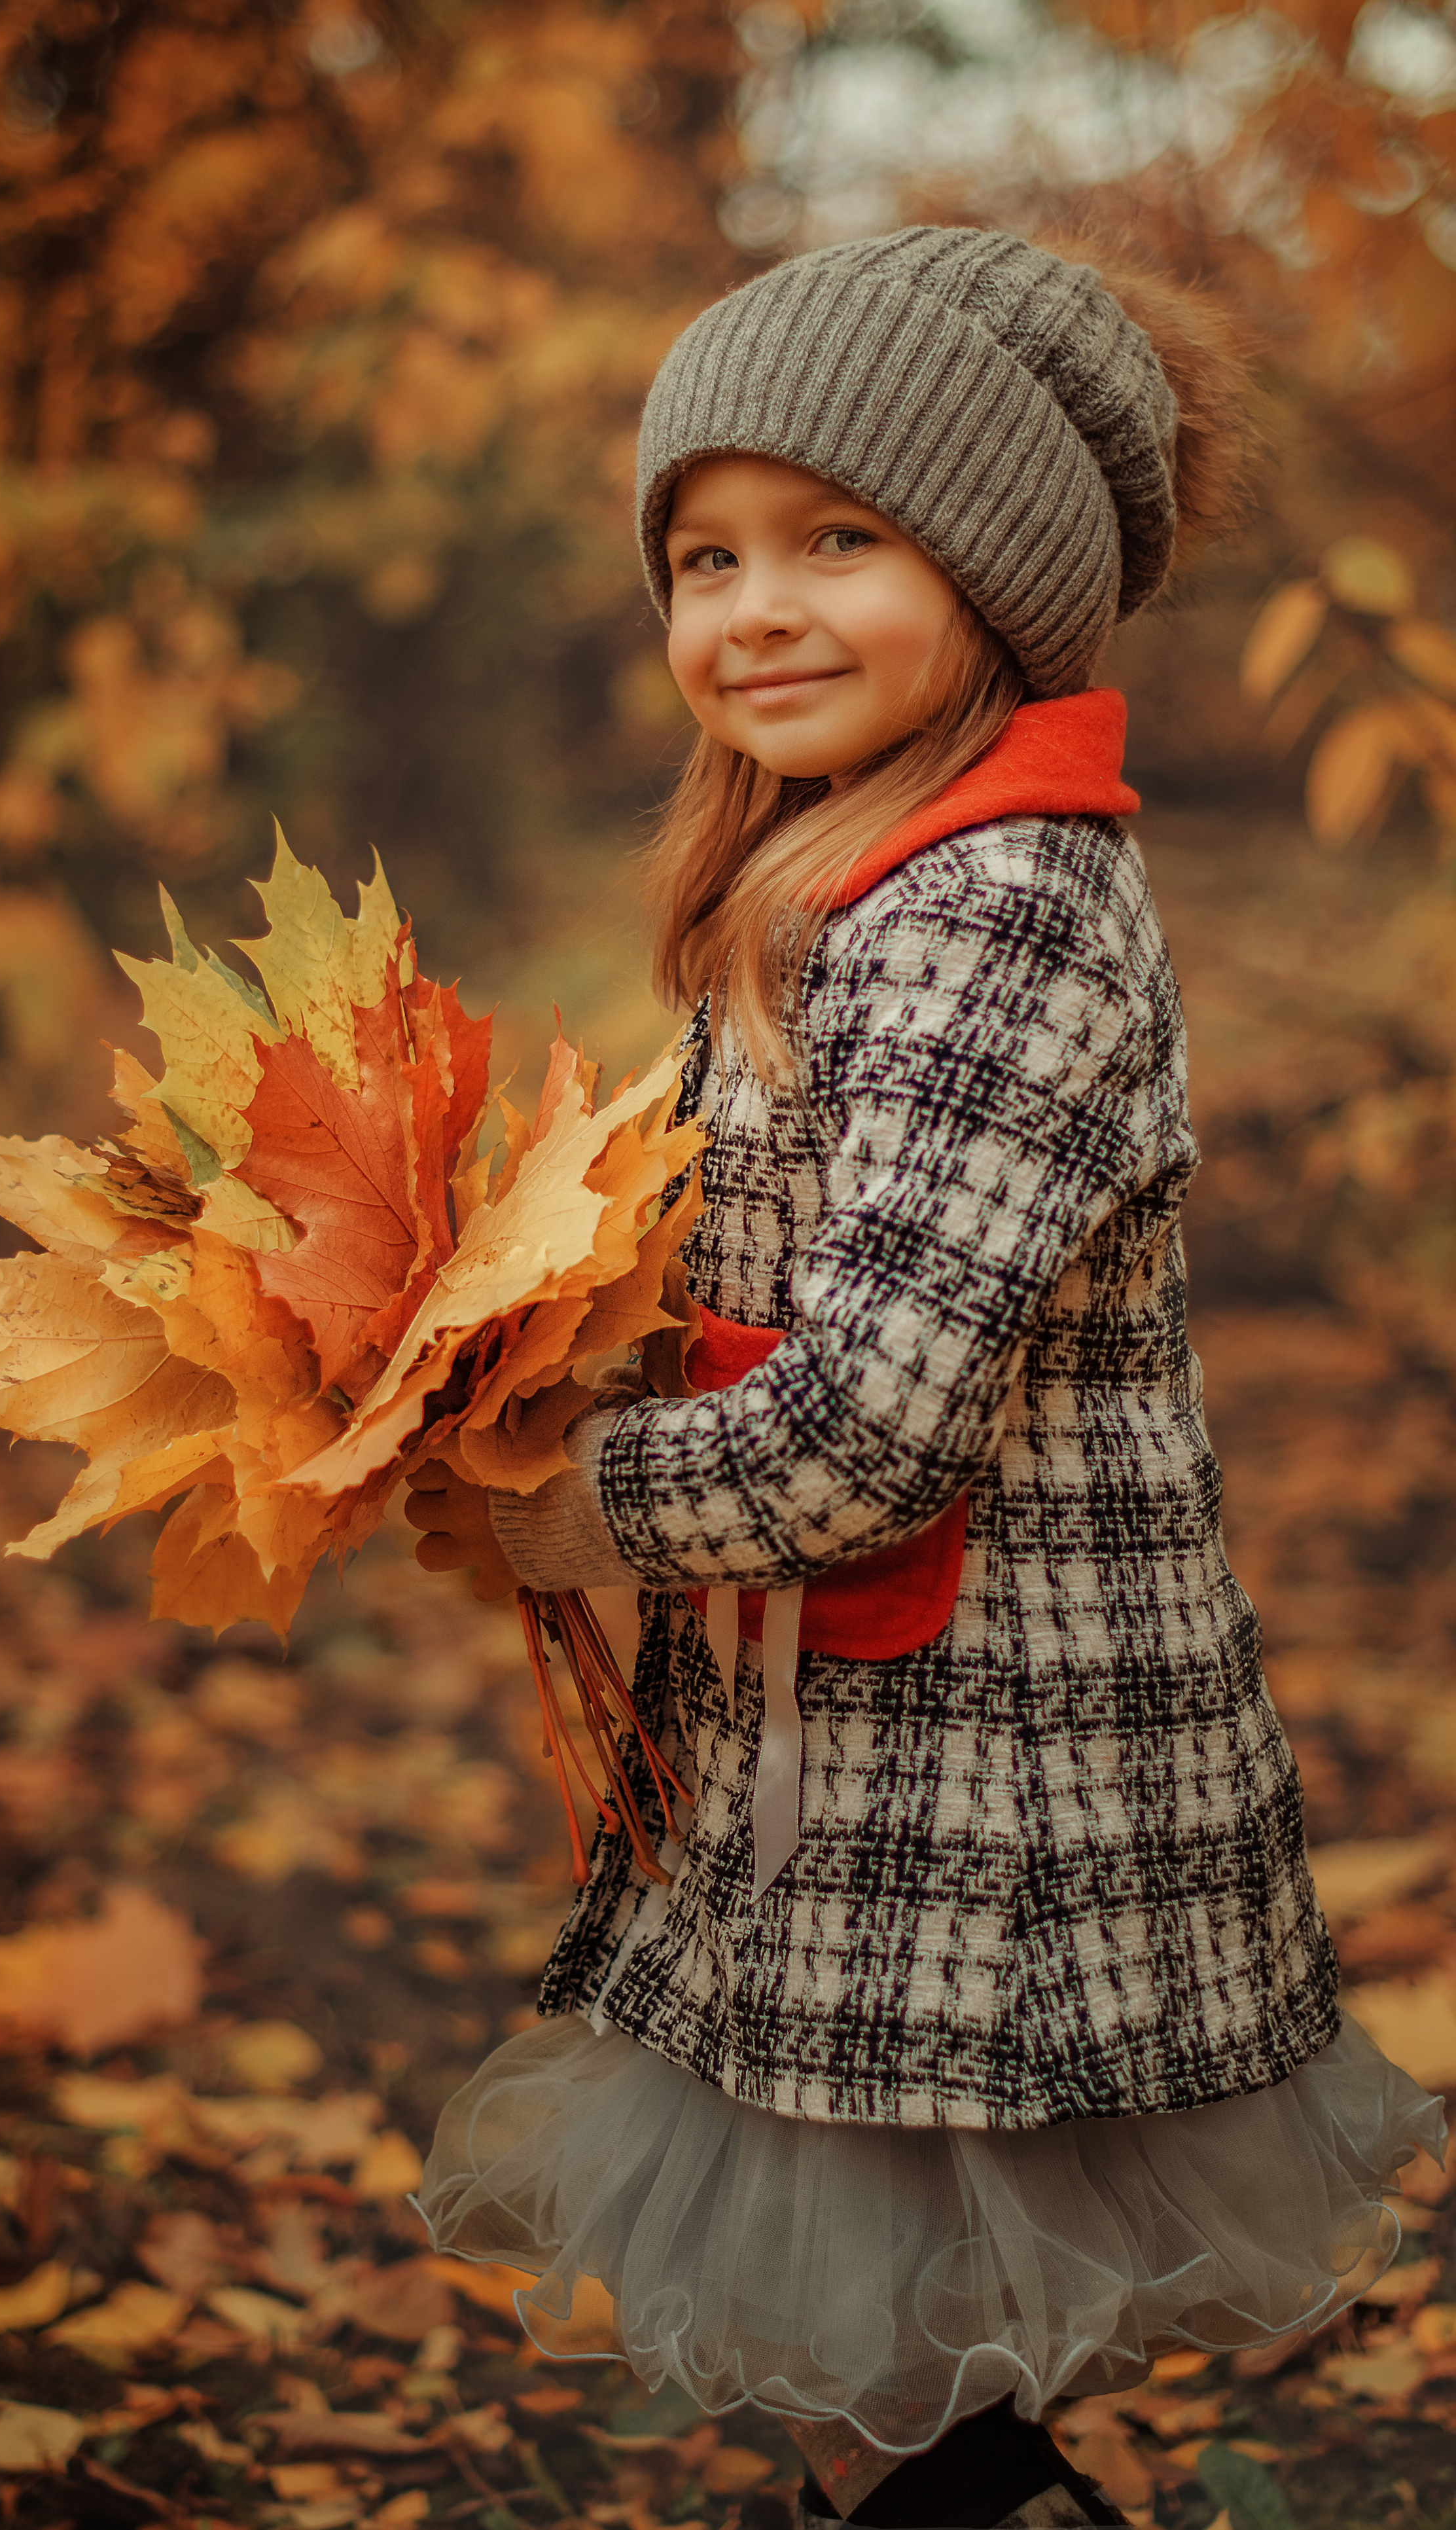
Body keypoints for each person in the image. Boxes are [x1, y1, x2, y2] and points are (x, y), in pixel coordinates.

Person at [403, 228, 1443, 2530]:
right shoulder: (837, 878)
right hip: (842, 1716)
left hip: (983, 1750)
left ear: (996, 574)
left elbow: (878, 1415)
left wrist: (562, 1504)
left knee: (901, 2342)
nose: (751, 608)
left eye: (836, 542)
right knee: (881, 2370)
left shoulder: (1003, 909)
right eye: (706, 557)